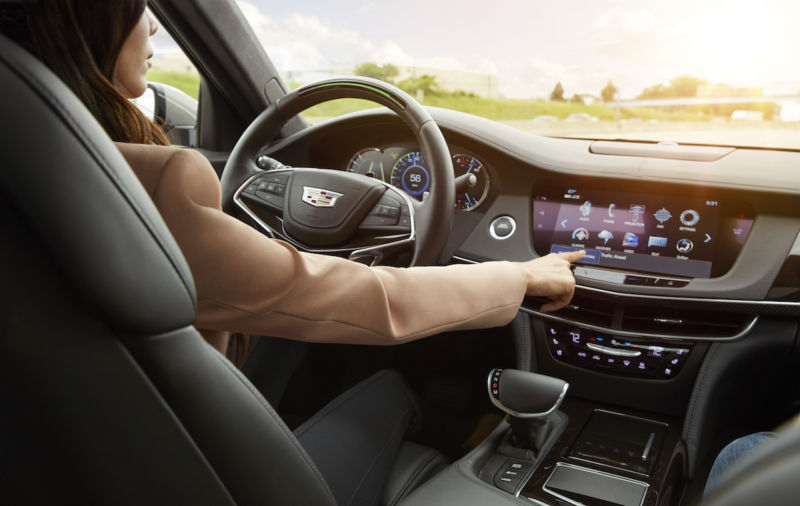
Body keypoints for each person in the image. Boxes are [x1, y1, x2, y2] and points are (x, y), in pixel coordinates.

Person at [0, 2, 584, 505]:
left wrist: (268, 254)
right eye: (136, 4)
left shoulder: (35, 186)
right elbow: (368, 299)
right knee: (391, 389)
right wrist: (520, 275)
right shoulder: (150, 187)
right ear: (76, 21)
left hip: (68, 462)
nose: (153, 24)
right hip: (188, 475)